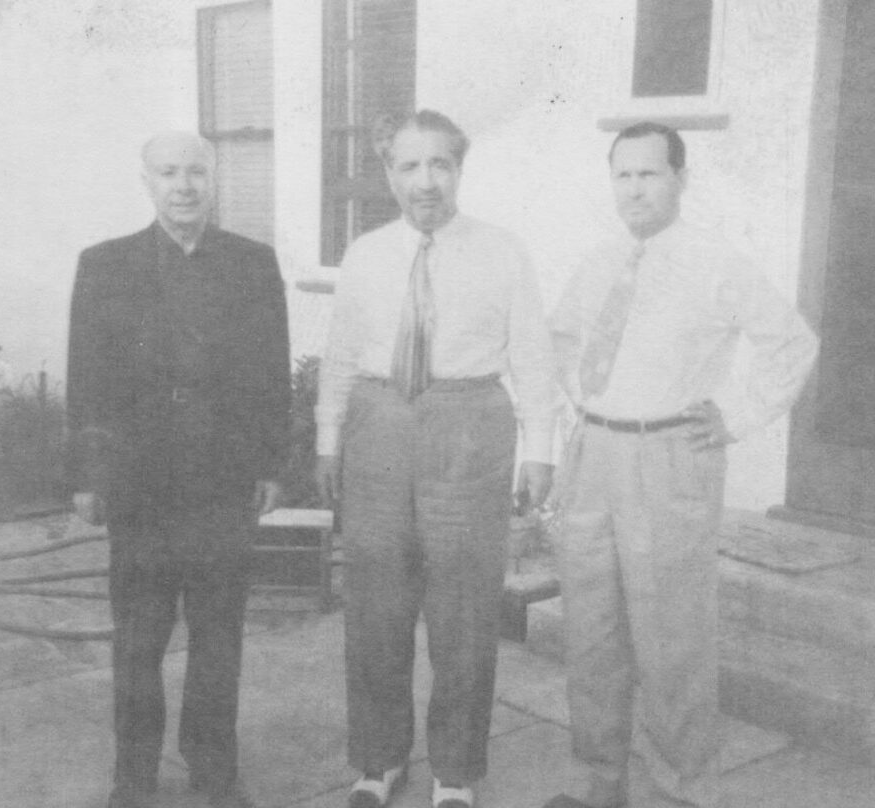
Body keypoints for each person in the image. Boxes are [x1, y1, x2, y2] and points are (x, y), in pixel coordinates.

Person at [543, 122, 818, 808]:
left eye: (650, 174)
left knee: (672, 641)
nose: (635, 189)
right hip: (593, 454)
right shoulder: (600, 260)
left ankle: (682, 789)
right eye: (623, 175)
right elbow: (562, 338)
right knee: (592, 632)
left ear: (680, 179)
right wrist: (579, 406)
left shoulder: (716, 260)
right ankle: (598, 784)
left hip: (668, 457)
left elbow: (792, 343)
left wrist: (736, 416)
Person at [314, 109, 557, 808]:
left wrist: (540, 450)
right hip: (379, 423)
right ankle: (378, 760)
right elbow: (340, 355)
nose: (426, 181)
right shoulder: (365, 254)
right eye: (410, 166)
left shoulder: (502, 251)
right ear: (389, 173)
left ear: (459, 169)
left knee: (465, 609)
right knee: (375, 606)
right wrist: (329, 439)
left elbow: (533, 355)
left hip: (469, 422)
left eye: (440, 165)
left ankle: (455, 770)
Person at [67, 131, 291, 808]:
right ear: (148, 182)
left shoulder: (252, 264)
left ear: (213, 179)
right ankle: (133, 776)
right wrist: (87, 475)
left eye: (196, 171)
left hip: (222, 482)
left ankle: (214, 769)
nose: (185, 185)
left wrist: (271, 463)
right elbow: (86, 376)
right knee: (138, 640)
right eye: (169, 173)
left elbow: (272, 373)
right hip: (141, 486)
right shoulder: (105, 265)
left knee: (219, 638)